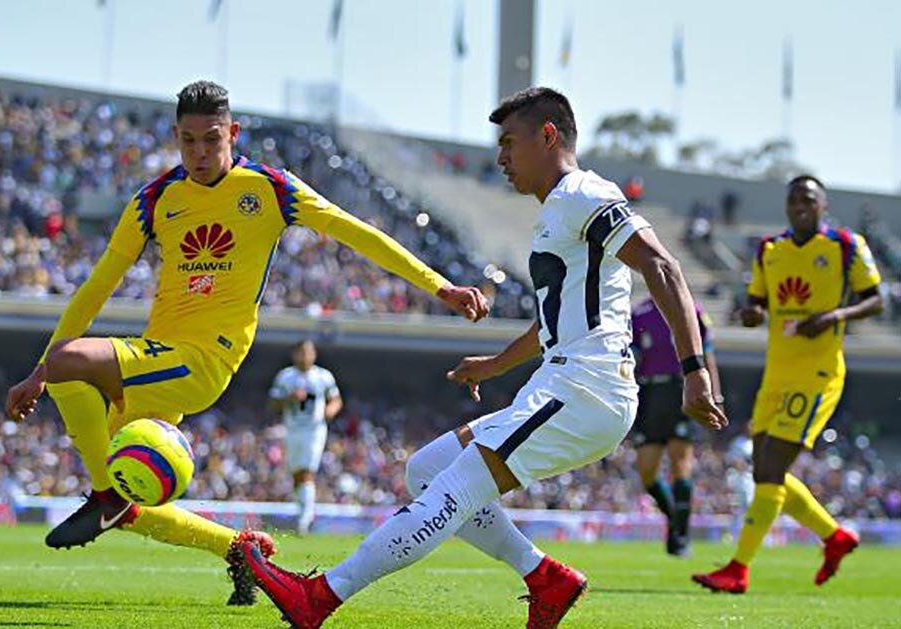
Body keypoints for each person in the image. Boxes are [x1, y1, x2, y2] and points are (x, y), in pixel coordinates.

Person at [239, 86, 726, 629]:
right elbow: (552, 321)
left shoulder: (582, 194)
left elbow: (663, 269)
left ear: (548, 136)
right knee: (425, 470)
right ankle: (544, 578)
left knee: (453, 490)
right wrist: (495, 365)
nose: (500, 158)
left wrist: (694, 371)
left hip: (586, 391)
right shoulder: (558, 213)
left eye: (509, 143)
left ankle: (321, 597)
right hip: (567, 384)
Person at [4, 81, 488, 606]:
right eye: (188, 141)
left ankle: (102, 497)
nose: (199, 153)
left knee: (71, 363)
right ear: (175, 138)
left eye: (211, 140)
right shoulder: (154, 200)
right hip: (154, 358)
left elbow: (356, 232)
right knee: (135, 484)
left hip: (204, 361)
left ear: (233, 132)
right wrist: (38, 373)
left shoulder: (270, 190)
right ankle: (240, 548)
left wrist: (440, 285)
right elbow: (97, 286)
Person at [693, 175, 883, 594]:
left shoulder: (845, 246)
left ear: (823, 206)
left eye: (808, 199)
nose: (800, 204)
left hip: (818, 374)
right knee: (765, 468)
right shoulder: (770, 249)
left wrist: (834, 317)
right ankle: (834, 536)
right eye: (794, 199)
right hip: (776, 372)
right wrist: (752, 313)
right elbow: (758, 301)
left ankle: (738, 568)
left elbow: (877, 298)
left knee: (770, 468)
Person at [629, 296, 723, 556]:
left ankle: (680, 538)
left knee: (681, 463)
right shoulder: (639, 312)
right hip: (649, 392)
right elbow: (632, 357)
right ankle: (675, 521)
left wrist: (715, 395)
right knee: (646, 470)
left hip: (680, 388)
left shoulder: (692, 309)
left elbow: (708, 354)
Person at [269, 340, 342, 535]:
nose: (304, 356)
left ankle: (305, 519)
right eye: (301, 353)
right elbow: (273, 403)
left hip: (314, 429)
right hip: (292, 429)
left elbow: (335, 399)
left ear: (314, 354)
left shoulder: (323, 376)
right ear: (295, 355)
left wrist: (330, 410)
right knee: (297, 474)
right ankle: (301, 512)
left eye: (308, 352)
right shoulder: (286, 376)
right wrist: (289, 398)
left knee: (307, 471)